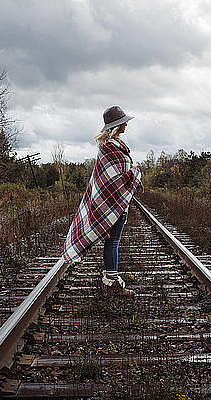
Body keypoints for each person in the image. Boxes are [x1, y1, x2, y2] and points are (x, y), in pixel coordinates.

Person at [61, 105, 143, 296]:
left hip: (114, 203)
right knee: (113, 241)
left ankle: (111, 282)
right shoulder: (112, 148)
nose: (126, 125)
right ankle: (112, 285)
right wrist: (136, 172)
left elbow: (114, 177)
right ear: (118, 125)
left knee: (111, 241)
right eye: (124, 122)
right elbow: (116, 179)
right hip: (115, 205)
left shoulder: (109, 147)